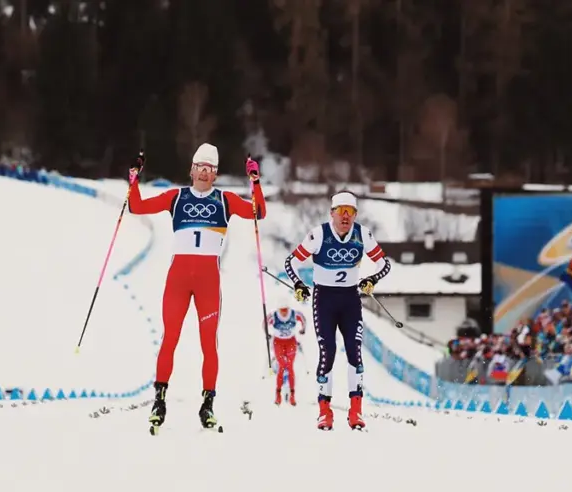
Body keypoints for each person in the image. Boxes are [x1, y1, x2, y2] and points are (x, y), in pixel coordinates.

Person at [127, 144, 266, 430]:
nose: (204, 173)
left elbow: (257, 212)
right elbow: (137, 207)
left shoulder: (225, 200)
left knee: (208, 343)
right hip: (178, 278)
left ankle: (207, 404)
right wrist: (134, 181)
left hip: (208, 281)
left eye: (210, 169)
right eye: (200, 167)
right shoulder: (176, 197)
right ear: (191, 170)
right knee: (170, 338)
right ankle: (159, 399)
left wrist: (255, 182)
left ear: (215, 174)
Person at [283, 191, 391, 430]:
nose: (345, 216)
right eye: (340, 211)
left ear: (355, 215)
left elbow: (385, 263)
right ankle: (324, 411)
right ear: (331, 213)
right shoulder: (319, 234)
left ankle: (356, 411)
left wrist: (372, 279)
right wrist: (299, 284)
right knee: (328, 351)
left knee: (354, 351)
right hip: (324, 300)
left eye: (350, 211)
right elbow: (291, 262)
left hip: (350, 299)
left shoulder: (362, 234)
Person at [267, 303, 306, 406]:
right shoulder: (273, 315)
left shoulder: (294, 314)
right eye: (281, 310)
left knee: (289, 366)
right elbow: (264, 324)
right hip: (278, 343)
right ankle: (278, 394)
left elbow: (303, 319)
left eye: (285, 310)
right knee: (282, 366)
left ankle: (292, 394)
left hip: (290, 342)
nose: (284, 313)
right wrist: (267, 334)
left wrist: (303, 329)